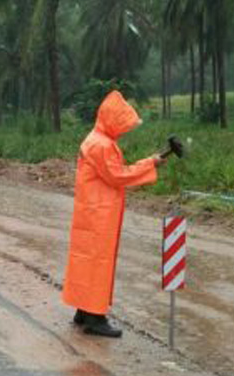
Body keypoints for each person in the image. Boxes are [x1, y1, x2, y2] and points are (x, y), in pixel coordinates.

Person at [62, 91, 167, 338]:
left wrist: (150, 161)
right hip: (99, 215)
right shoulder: (102, 145)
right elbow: (117, 175)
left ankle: (83, 310)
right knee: (98, 263)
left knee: (86, 260)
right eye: (122, 125)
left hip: (91, 211)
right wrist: (150, 163)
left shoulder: (95, 138)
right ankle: (95, 318)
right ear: (112, 120)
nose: (123, 130)